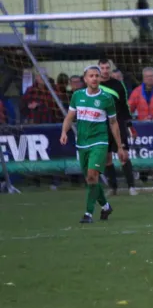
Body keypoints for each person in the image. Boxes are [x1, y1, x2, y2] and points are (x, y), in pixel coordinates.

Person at [60, 65, 127, 224]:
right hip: (82, 143)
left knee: (92, 175)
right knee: (91, 180)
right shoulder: (77, 96)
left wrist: (119, 146)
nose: (95, 78)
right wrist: (64, 132)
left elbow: (113, 123)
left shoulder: (106, 98)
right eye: (91, 76)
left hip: (100, 142)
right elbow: (69, 117)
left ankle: (88, 214)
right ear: (85, 79)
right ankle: (105, 206)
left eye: (97, 75)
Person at [98, 59, 137, 196]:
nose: (105, 70)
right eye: (102, 68)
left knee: (123, 155)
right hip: (102, 125)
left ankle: (131, 186)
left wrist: (130, 125)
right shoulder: (94, 86)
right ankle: (113, 188)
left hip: (118, 124)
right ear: (99, 69)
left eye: (107, 67)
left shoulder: (118, 85)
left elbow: (125, 107)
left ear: (110, 68)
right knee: (107, 158)